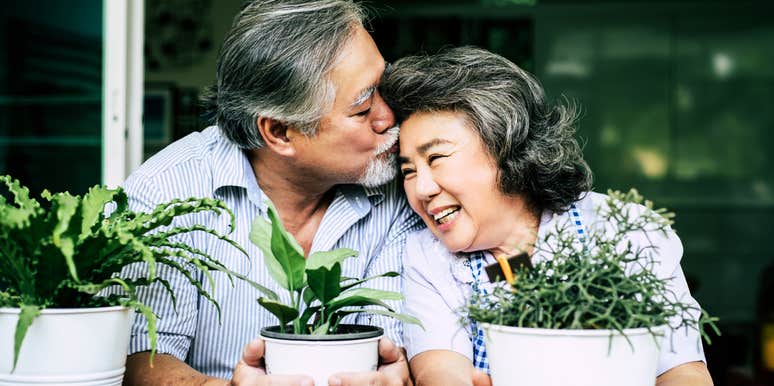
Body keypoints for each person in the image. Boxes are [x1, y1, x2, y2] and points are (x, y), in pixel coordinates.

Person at [119, 1, 424, 385]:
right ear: (279, 132)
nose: (388, 116)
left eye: (384, 86)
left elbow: (392, 337)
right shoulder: (164, 192)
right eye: (363, 109)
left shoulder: (403, 186)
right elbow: (141, 359)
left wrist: (393, 372)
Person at [379, 46, 713, 386]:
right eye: (407, 171)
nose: (421, 188)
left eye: (436, 158)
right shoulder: (429, 257)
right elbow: (440, 370)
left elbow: (683, 371)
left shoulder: (627, 232)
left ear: (506, 147)